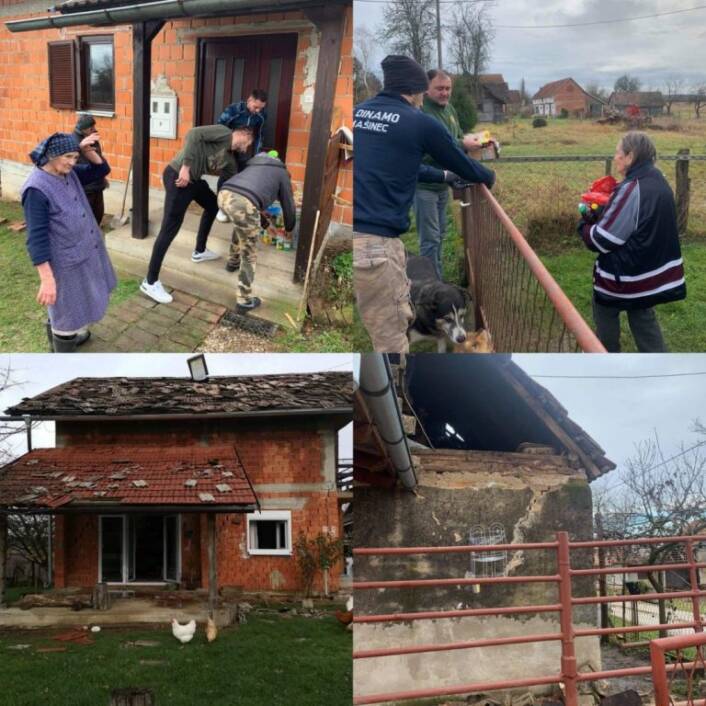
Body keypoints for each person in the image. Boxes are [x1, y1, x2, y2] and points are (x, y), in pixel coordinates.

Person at [353, 54, 496, 353]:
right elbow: (463, 163)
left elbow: (397, 166)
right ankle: (398, 394)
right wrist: (489, 176)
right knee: (392, 336)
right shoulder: (418, 122)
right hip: (374, 243)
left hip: (351, 231)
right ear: (417, 90)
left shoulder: (359, 113)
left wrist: (443, 176)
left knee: (385, 312)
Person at [578, 131, 686, 352]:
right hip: (651, 275)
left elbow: (601, 240)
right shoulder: (659, 180)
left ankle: (607, 360)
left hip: (625, 278)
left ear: (630, 156)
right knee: (643, 318)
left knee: (604, 309)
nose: (615, 157)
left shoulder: (632, 187)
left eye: (618, 152)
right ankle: (659, 368)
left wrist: (584, 225)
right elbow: (640, 225)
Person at [21, 132, 115, 352]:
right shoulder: (36, 189)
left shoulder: (67, 172)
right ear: (52, 155)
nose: (73, 162)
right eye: (69, 157)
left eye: (75, 157)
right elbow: (36, 238)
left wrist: (86, 151)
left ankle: (72, 336)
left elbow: (101, 171)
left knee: (80, 300)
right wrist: (47, 279)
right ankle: (63, 354)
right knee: (64, 310)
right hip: (64, 261)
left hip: (84, 250)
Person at [140, 125, 254, 305]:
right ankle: (150, 281)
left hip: (194, 182)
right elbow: (193, 133)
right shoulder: (224, 133)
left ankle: (199, 251)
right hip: (179, 176)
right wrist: (185, 167)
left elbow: (231, 182)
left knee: (212, 205)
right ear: (243, 135)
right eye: (247, 143)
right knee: (169, 230)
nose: (246, 148)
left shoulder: (230, 161)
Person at [415, 69, 483, 278]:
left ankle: (436, 278)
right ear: (427, 89)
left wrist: (474, 141)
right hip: (424, 185)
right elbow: (439, 146)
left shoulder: (449, 109)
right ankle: (431, 286)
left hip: (444, 183)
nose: (445, 93)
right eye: (439, 88)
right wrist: (463, 144)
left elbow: (458, 137)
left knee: (441, 234)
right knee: (430, 239)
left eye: (448, 88)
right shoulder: (422, 112)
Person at [217, 151, 296, 313]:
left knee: (240, 225)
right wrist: (289, 228)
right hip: (243, 202)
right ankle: (244, 299)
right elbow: (289, 205)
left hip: (223, 194)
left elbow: (249, 203)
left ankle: (232, 262)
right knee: (250, 252)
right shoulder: (281, 173)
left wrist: (267, 226)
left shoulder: (254, 165)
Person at [215, 89, 268, 223]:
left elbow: (259, 135)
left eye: (260, 108)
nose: (257, 111)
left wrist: (256, 155)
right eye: (255, 107)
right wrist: (225, 146)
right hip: (228, 147)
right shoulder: (234, 110)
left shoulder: (261, 115)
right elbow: (219, 127)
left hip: (243, 149)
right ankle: (220, 206)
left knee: (242, 176)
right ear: (249, 100)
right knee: (226, 175)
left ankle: (235, 206)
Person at [73, 114, 109, 226]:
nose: (94, 129)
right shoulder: (75, 142)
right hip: (86, 188)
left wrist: (103, 178)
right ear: (82, 129)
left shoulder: (92, 138)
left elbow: (99, 159)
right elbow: (84, 167)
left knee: (98, 215)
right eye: (90, 127)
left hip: (97, 185)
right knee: (87, 219)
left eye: (94, 126)